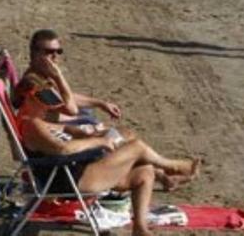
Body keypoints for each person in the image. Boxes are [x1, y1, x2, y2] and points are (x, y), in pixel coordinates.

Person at [17, 82, 199, 236]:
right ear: (28, 98)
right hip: (69, 179)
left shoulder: (37, 121)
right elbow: (63, 149)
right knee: (137, 147)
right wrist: (98, 141)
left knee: (144, 172)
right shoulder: (32, 124)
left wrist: (87, 133)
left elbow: (63, 130)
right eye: (42, 101)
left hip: (73, 170)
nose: (48, 107)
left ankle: (140, 228)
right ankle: (173, 166)